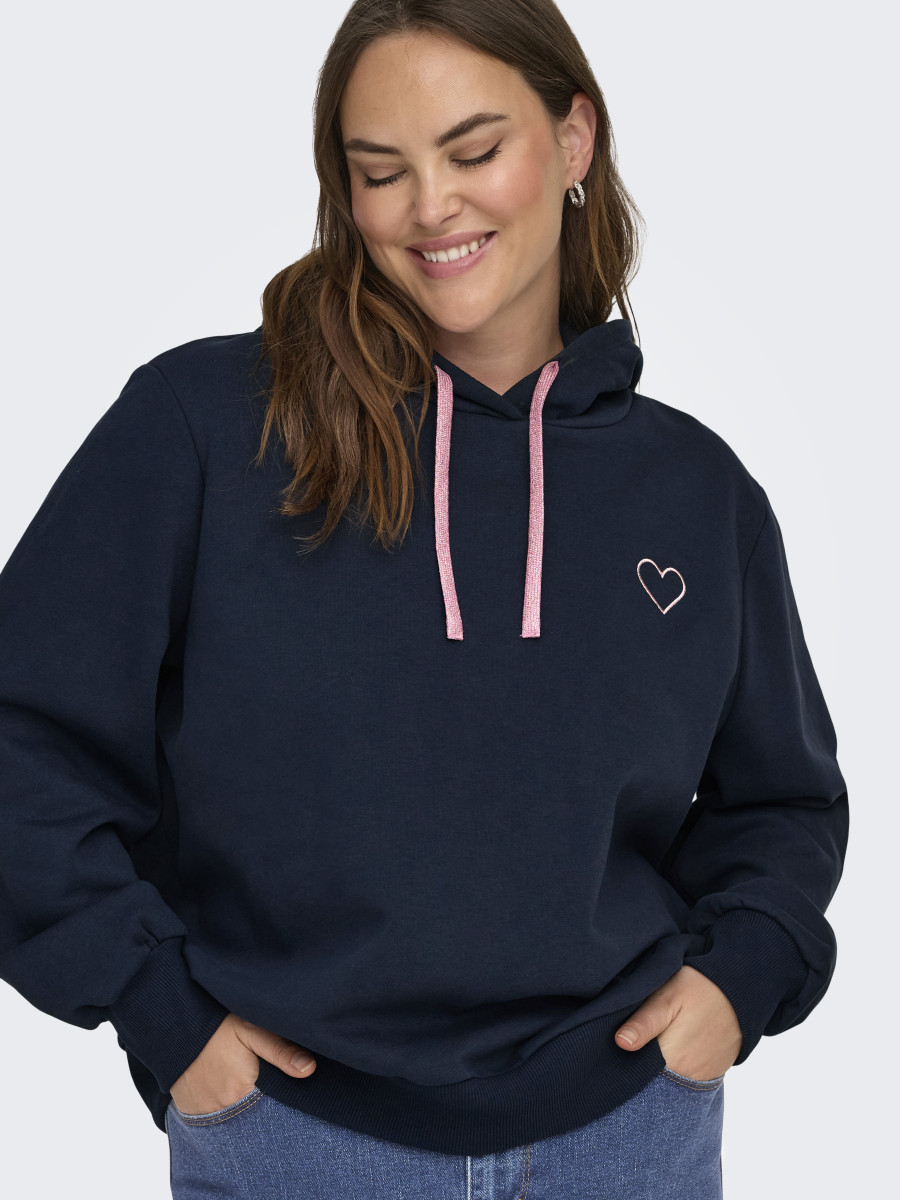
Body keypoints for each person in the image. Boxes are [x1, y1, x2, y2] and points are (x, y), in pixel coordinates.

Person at [0, 1, 849, 1197]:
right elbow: (24, 738)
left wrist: (740, 977)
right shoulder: (206, 430)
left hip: (628, 1136)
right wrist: (158, 1008)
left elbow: (783, 801)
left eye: (473, 150)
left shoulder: (697, 493)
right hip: (293, 1139)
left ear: (573, 140)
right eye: (381, 171)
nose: (431, 206)